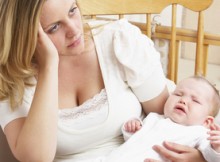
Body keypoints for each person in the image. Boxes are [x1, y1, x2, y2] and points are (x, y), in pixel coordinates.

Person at [0, 0, 207, 161]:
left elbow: (168, 117)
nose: (74, 30)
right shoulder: (10, 76)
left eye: (72, 10)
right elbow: (36, 158)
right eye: (54, 27)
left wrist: (201, 156)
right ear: (26, 36)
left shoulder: (119, 40)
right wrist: (48, 66)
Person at [120, 76, 220, 162]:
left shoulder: (200, 132)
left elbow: (210, 157)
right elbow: (133, 141)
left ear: (207, 122)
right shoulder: (153, 118)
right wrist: (132, 129)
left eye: (195, 100)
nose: (183, 100)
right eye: (178, 94)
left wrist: (217, 148)